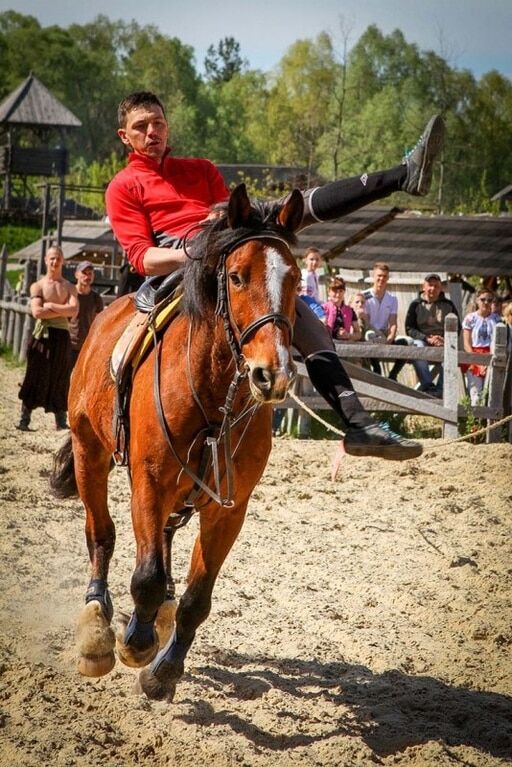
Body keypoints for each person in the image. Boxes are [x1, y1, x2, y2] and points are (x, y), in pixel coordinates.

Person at [106, 91, 445, 459]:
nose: (152, 131)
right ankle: (119, 418)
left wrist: (222, 236)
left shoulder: (201, 169)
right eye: (141, 126)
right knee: (123, 353)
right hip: (182, 259)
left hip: (227, 246)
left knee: (300, 216)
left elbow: (231, 221)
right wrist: (193, 252)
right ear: (125, 136)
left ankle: (358, 423)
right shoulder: (123, 186)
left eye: (158, 122)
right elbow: (142, 257)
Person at [17, 245, 78, 431]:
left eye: (58, 257)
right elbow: (37, 312)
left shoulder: (69, 287)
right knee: (35, 374)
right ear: (45, 260)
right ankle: (24, 419)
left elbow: (74, 311)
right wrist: (61, 309)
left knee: (61, 375)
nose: (55, 261)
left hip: (62, 336)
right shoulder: (38, 285)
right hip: (41, 336)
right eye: (51, 258)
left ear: (63, 260)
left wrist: (50, 305)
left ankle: (60, 420)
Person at [405, 273, 460, 397]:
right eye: (430, 285)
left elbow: (458, 328)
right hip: (423, 340)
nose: (433, 288)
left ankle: (440, 390)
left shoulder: (448, 305)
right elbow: (409, 328)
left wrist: (445, 340)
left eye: (436, 286)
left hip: (443, 341)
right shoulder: (416, 304)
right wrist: (426, 338)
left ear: (440, 288)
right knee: (416, 346)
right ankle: (428, 386)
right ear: (423, 287)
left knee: (451, 352)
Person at [362, 262, 409, 379]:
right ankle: (377, 370)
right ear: (374, 276)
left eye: (384, 276)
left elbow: (393, 322)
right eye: (379, 275)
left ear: (388, 278)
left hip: (384, 334)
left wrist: (390, 337)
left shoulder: (392, 299)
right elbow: (366, 322)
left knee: (406, 344)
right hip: (370, 334)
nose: (381, 279)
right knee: (370, 336)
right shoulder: (364, 296)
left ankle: (393, 375)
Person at [462, 289, 499, 405]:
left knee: (492, 395)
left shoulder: (497, 319)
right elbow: (466, 343)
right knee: (476, 395)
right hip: (474, 355)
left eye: (489, 300)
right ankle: (474, 423)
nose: (486, 302)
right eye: (483, 299)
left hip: (492, 356)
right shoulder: (470, 318)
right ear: (477, 300)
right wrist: (476, 362)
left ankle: (491, 423)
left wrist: (490, 361)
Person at [69, 261, 104, 367]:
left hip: (86, 345)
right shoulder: (69, 294)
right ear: (76, 275)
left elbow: (98, 322)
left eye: (90, 273)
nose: (87, 276)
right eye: (84, 273)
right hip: (69, 343)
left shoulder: (96, 298)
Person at [323, 277, 361, 341]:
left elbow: (358, 334)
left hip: (344, 345)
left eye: (340, 291)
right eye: (335, 291)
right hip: (327, 344)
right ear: (329, 291)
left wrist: (348, 335)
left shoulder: (350, 311)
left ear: (344, 292)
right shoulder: (322, 309)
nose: (338, 295)